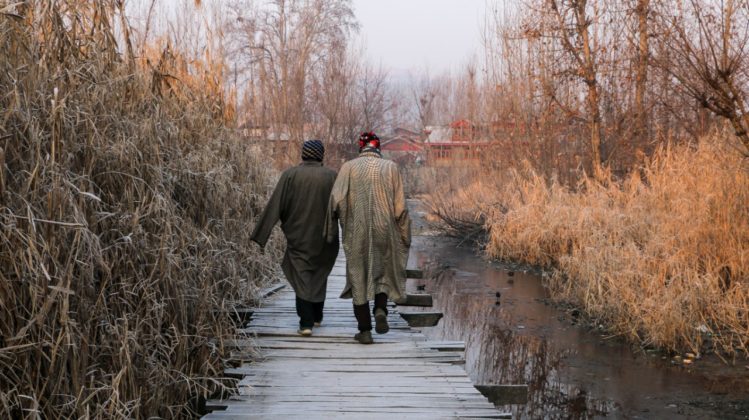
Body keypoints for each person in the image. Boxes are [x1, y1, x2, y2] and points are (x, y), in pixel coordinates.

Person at [325, 132, 411, 344]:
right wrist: (405, 235)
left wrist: (329, 231)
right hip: (385, 230)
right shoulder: (391, 168)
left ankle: (364, 330)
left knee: (358, 275)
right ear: (378, 148)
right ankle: (380, 309)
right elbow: (401, 208)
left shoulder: (348, 168)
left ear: (361, 147)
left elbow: (334, 200)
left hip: (357, 231)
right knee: (383, 273)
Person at [251, 140, 339, 336]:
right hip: (327, 236)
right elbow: (343, 207)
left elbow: (275, 205)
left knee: (302, 275)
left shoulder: (290, 175)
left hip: (298, 235)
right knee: (319, 272)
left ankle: (306, 323)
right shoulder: (332, 176)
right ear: (320, 155)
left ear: (304, 155)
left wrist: (260, 235)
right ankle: (317, 315)